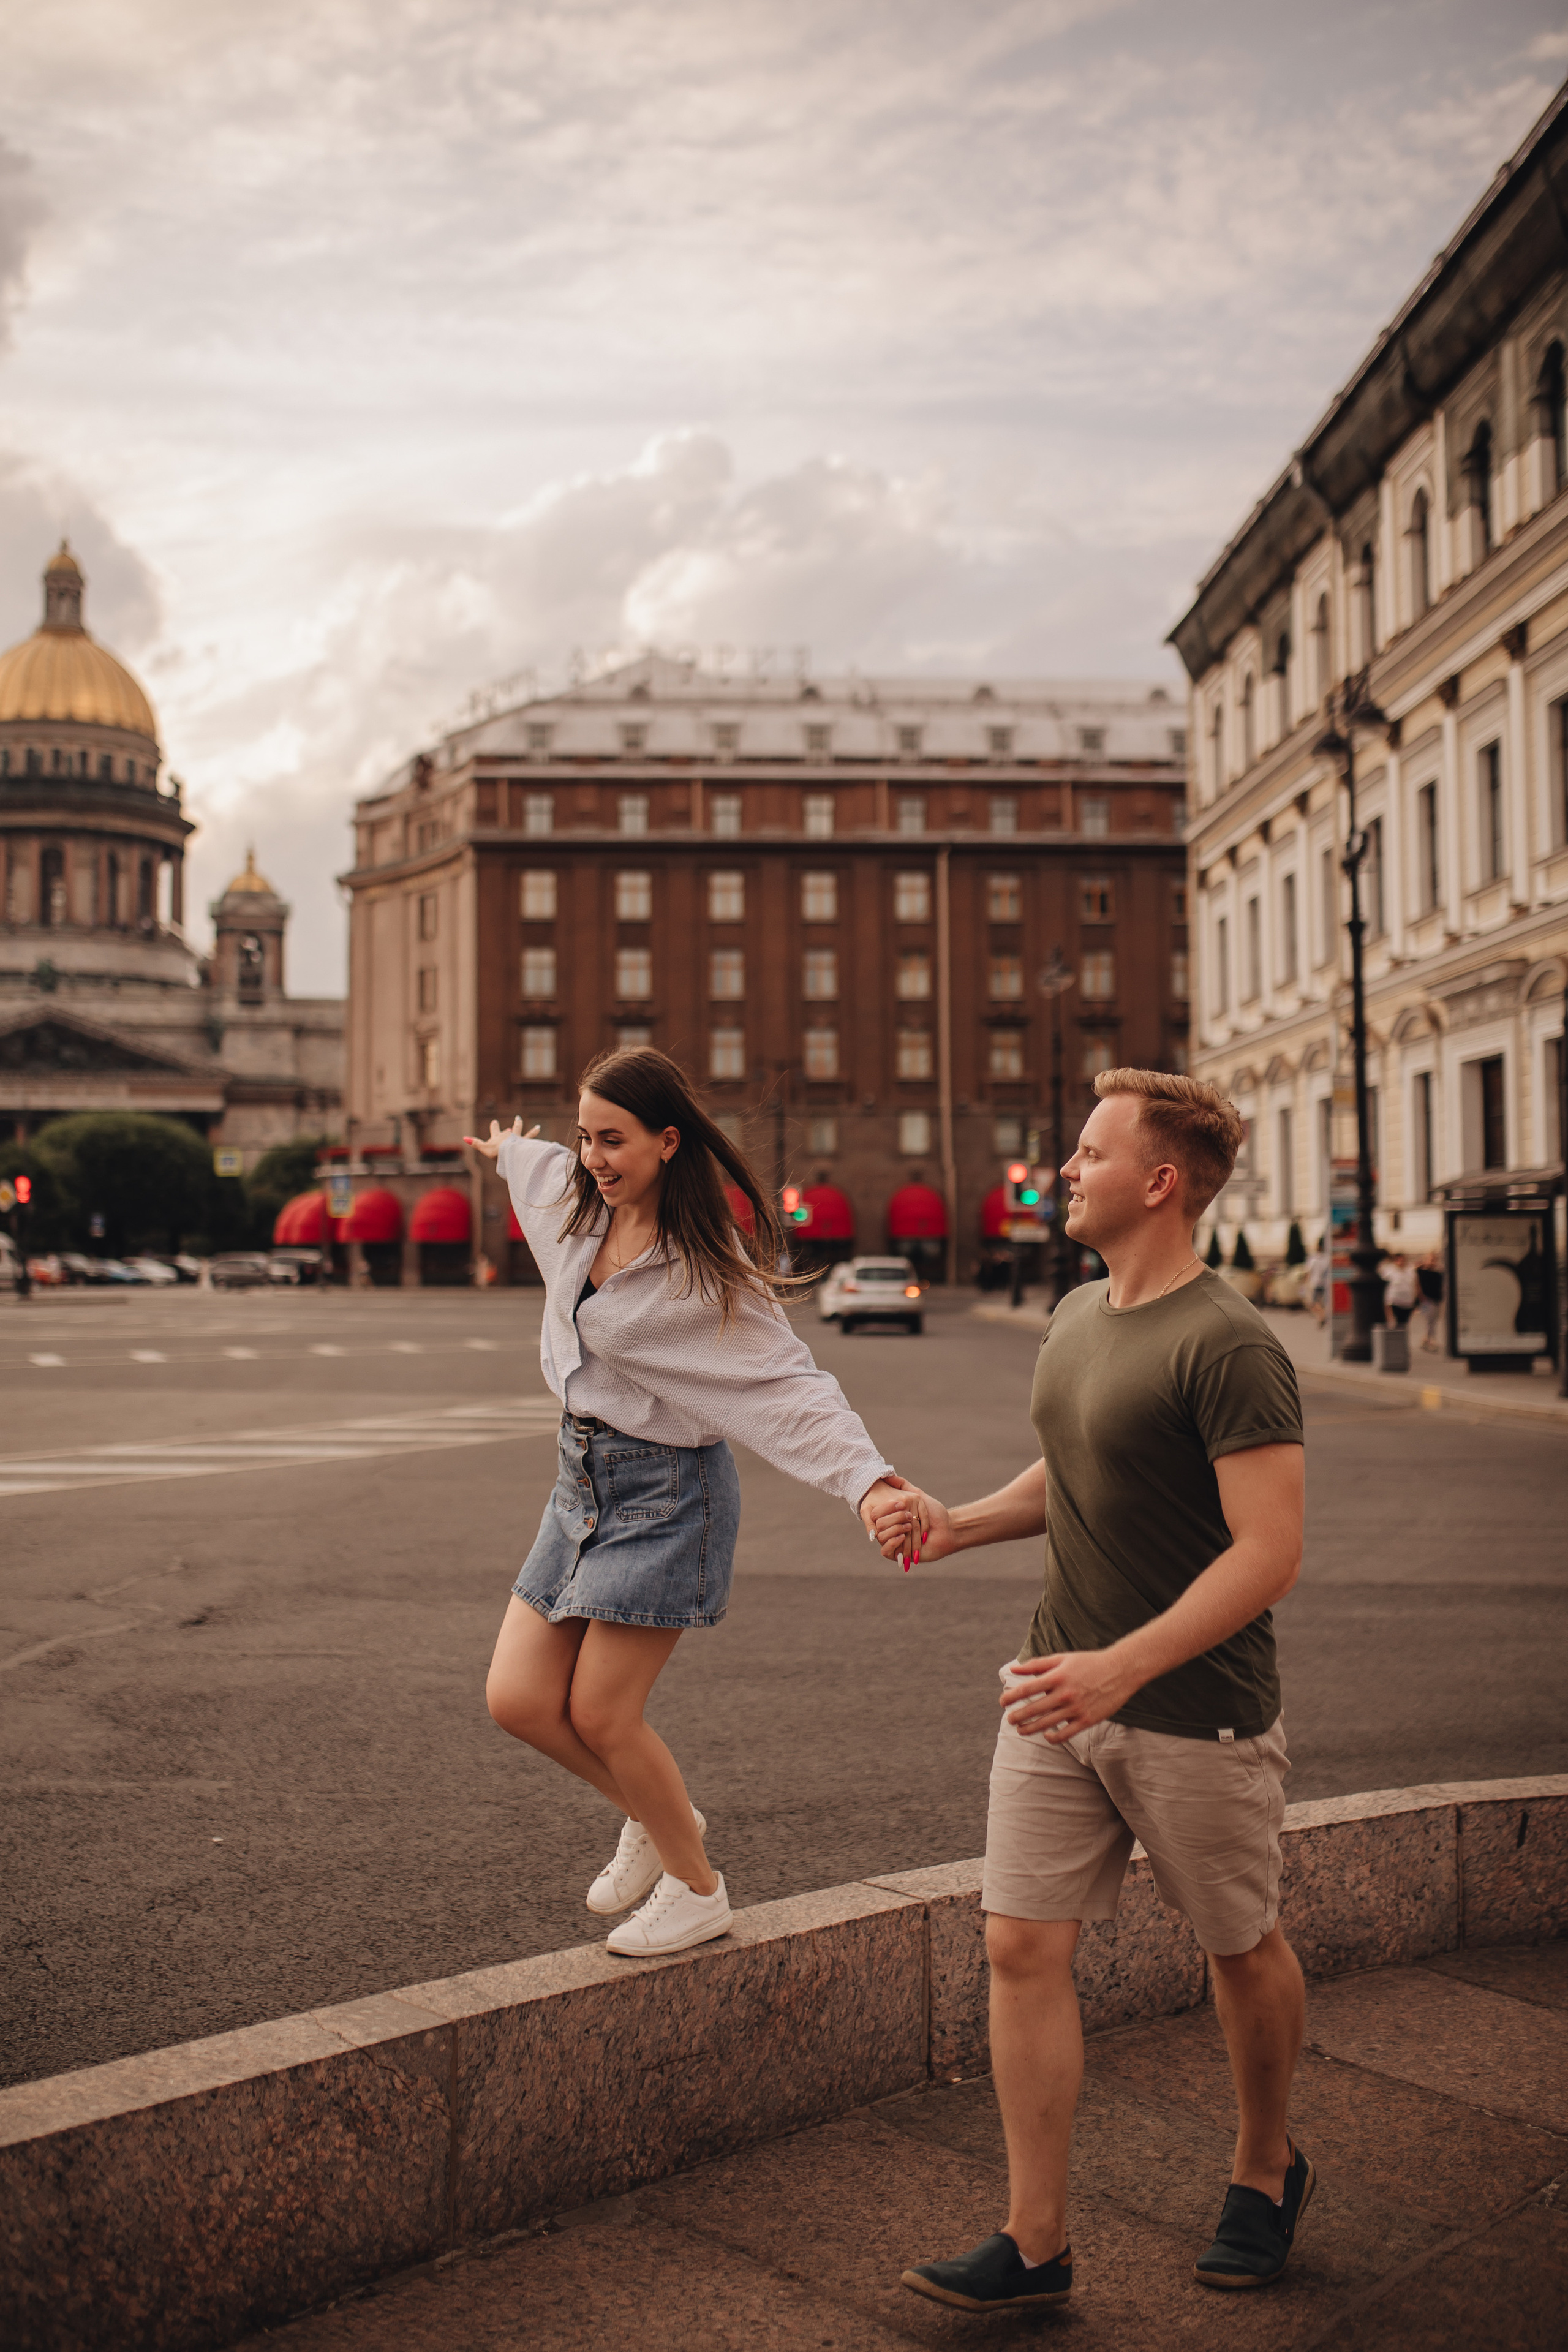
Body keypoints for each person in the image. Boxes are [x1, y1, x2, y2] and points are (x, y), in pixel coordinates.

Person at [871, 1068, 1309, 2313]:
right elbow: (1073, 1472)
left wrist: (1126, 1665)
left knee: (1237, 1946)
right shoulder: (1074, 1313)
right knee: (1017, 1944)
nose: (1062, 1169)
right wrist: (958, 1524)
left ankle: (1265, 2170)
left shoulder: (1228, 1344)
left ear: (1158, 1182)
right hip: (1056, 1690)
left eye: (1086, 1152)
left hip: (1193, 1711)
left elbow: (1266, 1552)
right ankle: (1034, 2241)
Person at [467, 1046, 919, 1960]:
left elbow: (790, 1388)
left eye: (616, 1140)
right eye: (586, 1135)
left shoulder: (701, 1273)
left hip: (669, 1495)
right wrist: (509, 1148)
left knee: (601, 1713)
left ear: (668, 1143)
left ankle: (697, 1888)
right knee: (517, 1700)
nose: (594, 1156)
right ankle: (658, 1810)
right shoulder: (571, 1200)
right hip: (580, 1482)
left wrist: (869, 1483)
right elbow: (537, 1168)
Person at [1380, 1250, 1420, 1329]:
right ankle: (1396, 1338)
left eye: (1403, 1260)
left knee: (1404, 1323)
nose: (1401, 1262)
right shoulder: (1388, 1270)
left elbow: (1416, 1284)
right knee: (1395, 1323)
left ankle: (1402, 1338)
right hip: (1394, 1301)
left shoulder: (1410, 1271)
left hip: (1408, 1302)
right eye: (1399, 1260)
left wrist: (1416, 1298)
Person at [1416, 1251, 1444, 1352]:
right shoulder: (1422, 1272)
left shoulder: (1438, 1273)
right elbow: (1416, 1270)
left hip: (1436, 1300)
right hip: (1427, 1301)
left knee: (1433, 1321)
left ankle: (1425, 1340)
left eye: (1434, 1260)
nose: (1433, 1262)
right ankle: (1432, 1341)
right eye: (1431, 1260)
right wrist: (1424, 1264)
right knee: (1430, 1321)